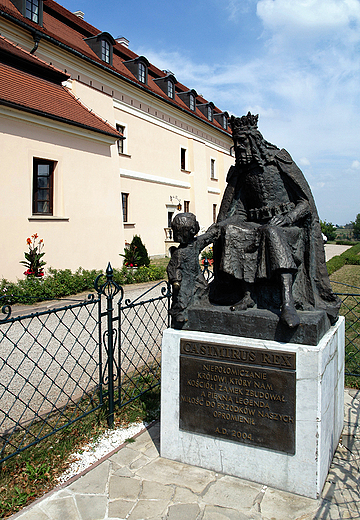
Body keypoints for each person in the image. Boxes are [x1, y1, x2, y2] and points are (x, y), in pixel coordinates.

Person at [210, 113, 340, 327]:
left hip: (288, 228)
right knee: (234, 231)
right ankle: (248, 295)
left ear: (253, 140)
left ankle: (287, 302)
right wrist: (221, 226)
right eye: (235, 143)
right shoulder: (243, 172)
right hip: (257, 226)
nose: (238, 147)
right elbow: (239, 210)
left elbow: (305, 203)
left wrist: (288, 217)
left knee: (271, 231)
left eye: (242, 142)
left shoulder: (279, 161)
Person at [167, 213, 218, 328]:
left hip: (196, 275)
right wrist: (175, 279)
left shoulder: (195, 244)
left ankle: (202, 307)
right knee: (181, 296)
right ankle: (179, 314)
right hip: (184, 278)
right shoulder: (179, 253)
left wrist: (213, 232)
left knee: (204, 287)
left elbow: (206, 238)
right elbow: (173, 267)